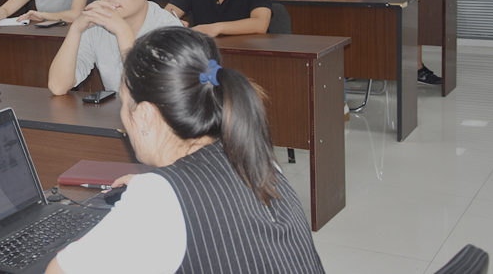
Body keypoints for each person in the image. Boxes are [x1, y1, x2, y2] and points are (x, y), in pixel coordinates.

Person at [45, 27, 325, 274]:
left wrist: (157, 192)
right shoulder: (251, 154)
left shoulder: (159, 199)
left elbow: (59, 271)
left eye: (124, 103)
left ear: (144, 115)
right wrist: (164, 186)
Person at [48, 0, 182, 94]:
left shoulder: (170, 32)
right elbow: (58, 86)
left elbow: (149, 94)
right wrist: (75, 31)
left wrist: (122, 31)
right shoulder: (96, 25)